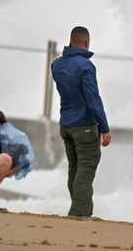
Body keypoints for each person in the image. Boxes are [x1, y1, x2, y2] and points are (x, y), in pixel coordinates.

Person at [51, 26, 111, 217]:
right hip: (84, 126)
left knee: (75, 170)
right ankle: (80, 214)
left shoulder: (56, 65)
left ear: (71, 41)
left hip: (66, 125)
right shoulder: (86, 67)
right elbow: (92, 99)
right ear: (86, 43)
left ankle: (78, 210)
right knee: (85, 170)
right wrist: (104, 127)